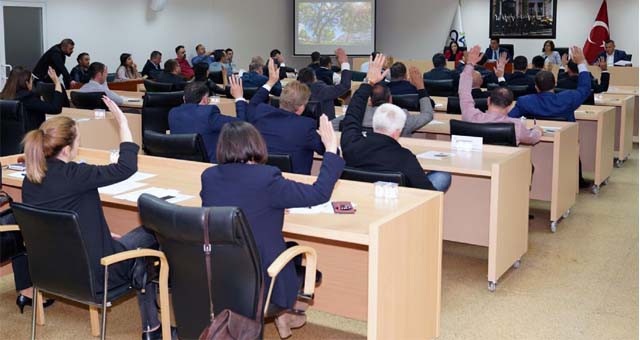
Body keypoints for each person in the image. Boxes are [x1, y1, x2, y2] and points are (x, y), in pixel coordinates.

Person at [22, 98, 168, 339]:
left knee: (130, 237)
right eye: (79, 140)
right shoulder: (76, 174)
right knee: (152, 229)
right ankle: (152, 327)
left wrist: (97, 231)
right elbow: (126, 166)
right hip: (100, 272)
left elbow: (60, 220)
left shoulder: (31, 179)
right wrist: (122, 122)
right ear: (67, 149)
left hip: (55, 272)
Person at [200, 115, 344, 338]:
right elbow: (319, 193)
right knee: (295, 254)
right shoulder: (267, 177)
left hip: (222, 275)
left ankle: (284, 318)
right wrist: (331, 149)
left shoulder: (209, 177)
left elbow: (231, 206)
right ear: (256, 144)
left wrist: (272, 206)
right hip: (265, 279)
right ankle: (283, 313)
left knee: (287, 245)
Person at [341, 53, 452, 192]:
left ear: (375, 123)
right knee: (442, 176)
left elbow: (352, 113)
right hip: (398, 203)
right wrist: (421, 87)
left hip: (361, 196)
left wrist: (368, 82)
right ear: (397, 132)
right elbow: (427, 192)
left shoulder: (351, 144)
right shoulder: (405, 158)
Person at [244, 59, 325, 175]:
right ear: (302, 107)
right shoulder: (306, 126)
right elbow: (328, 150)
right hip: (295, 186)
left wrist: (271, 82)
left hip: (263, 182)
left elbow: (252, 104)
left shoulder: (262, 113)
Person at [460, 45, 542, 145]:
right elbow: (533, 138)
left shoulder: (471, 116)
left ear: (488, 101)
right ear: (510, 107)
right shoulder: (516, 126)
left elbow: (464, 92)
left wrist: (470, 64)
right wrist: (537, 130)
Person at [332, 65, 434, 136]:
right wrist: (421, 87)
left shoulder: (357, 115)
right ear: (390, 99)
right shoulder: (402, 116)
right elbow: (427, 115)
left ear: (370, 100)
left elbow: (331, 126)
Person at [169, 79, 246, 163]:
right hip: (212, 165)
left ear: (184, 99)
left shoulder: (173, 113)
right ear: (205, 100)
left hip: (184, 165)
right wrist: (239, 98)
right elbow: (242, 125)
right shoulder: (208, 113)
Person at [508, 46, 592, 122]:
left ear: (536, 87)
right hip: (565, 136)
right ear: (555, 83)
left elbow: (508, 119)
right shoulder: (568, 98)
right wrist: (581, 63)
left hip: (536, 135)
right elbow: (585, 88)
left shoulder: (524, 101)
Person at [0, 66, 63, 132]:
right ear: (27, 83)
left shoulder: (3, 97)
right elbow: (55, 108)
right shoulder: (27, 98)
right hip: (30, 139)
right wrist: (57, 82)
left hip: (7, 140)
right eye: (31, 80)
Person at [298, 48, 352, 120]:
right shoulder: (321, 90)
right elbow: (345, 85)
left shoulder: (296, 91)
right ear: (314, 77)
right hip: (325, 126)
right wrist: (344, 63)